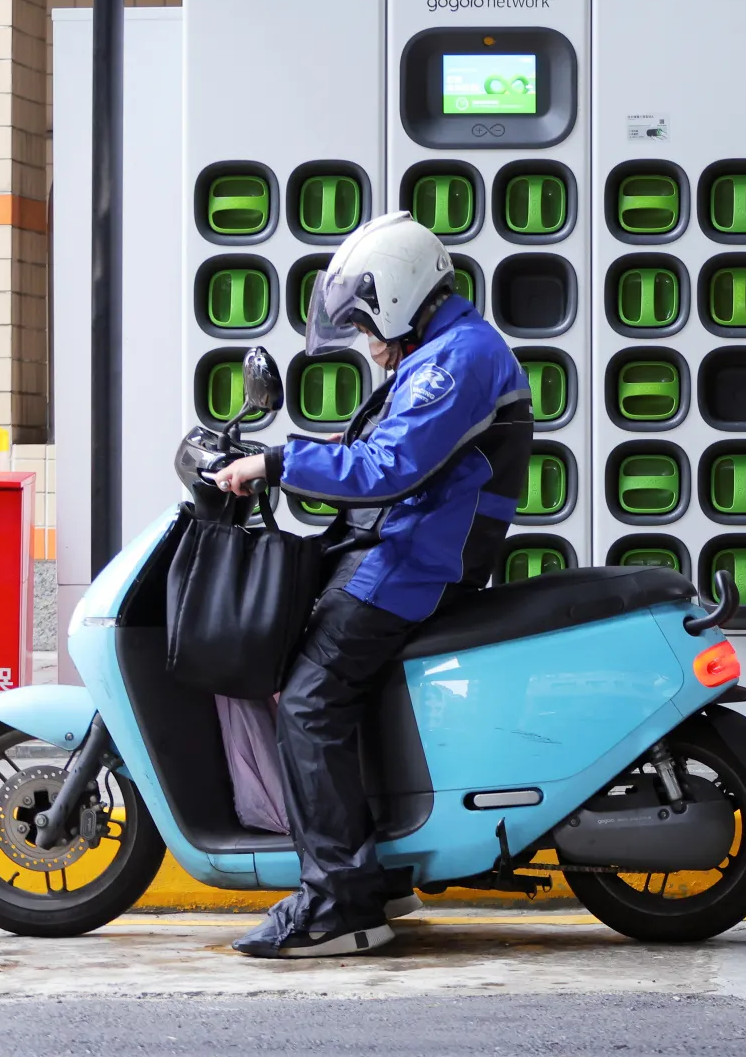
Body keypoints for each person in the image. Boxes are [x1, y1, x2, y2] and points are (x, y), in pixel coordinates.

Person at [210, 212, 531, 958]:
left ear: (397, 295)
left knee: (310, 700)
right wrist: (281, 454)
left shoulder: (458, 361)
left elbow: (389, 469)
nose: (365, 338)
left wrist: (280, 463)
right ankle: (371, 869)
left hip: (411, 563)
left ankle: (341, 900)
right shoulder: (441, 352)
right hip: (396, 548)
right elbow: (383, 450)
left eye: (363, 322)